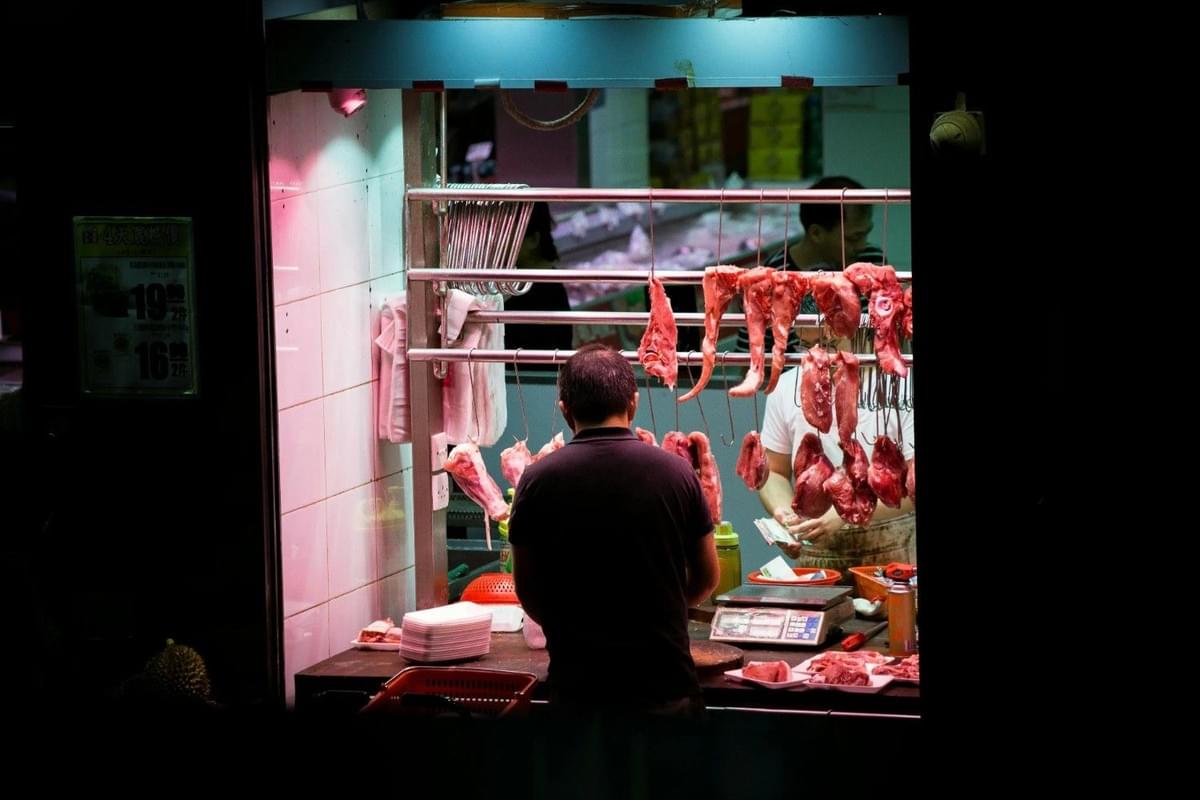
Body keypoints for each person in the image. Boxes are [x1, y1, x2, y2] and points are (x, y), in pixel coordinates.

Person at [509, 343, 719, 718]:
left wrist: (578, 622)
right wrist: (658, 609)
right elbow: (707, 577)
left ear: (565, 410)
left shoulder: (538, 480)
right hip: (668, 694)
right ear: (633, 404)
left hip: (578, 696)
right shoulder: (677, 473)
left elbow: (528, 591)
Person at [756, 362, 915, 566]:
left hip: (893, 558)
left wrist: (846, 512)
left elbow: (912, 486)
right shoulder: (785, 386)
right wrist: (786, 515)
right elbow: (774, 472)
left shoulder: (901, 383)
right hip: (816, 562)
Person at [736, 175, 881, 355]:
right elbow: (750, 361)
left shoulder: (871, 260)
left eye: (865, 234)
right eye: (853, 238)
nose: (861, 245)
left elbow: (884, 339)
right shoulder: (773, 277)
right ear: (816, 233)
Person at [503, 201, 573, 352]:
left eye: (505, 233)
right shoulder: (543, 284)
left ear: (533, 240)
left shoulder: (541, 296)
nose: (496, 241)